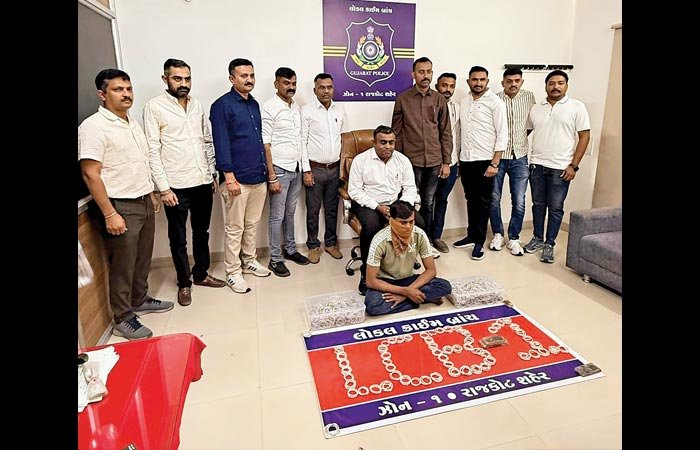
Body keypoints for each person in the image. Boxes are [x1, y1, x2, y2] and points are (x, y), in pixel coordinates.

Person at [79, 68, 174, 340]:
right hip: (120, 205)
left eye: (129, 89)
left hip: (143, 199)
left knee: (142, 257)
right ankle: (123, 317)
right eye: (118, 90)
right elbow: (90, 173)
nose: (126, 94)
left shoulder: (131, 122)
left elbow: (140, 161)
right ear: (102, 94)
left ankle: (139, 298)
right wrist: (110, 213)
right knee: (123, 264)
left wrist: (152, 192)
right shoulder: (93, 127)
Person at [143, 58, 226, 307]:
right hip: (175, 186)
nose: (183, 83)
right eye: (177, 78)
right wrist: (163, 188)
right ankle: (184, 283)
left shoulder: (196, 104)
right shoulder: (154, 107)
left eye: (187, 78)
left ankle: (201, 274)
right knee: (178, 238)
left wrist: (211, 173)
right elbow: (152, 150)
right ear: (165, 79)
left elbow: (207, 141)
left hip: (202, 181)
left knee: (202, 232)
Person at [210, 58, 273, 294]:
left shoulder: (253, 104)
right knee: (235, 228)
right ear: (232, 78)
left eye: (252, 75)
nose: (249, 79)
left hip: (258, 176)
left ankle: (249, 261)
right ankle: (233, 272)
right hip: (236, 179)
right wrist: (229, 177)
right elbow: (221, 143)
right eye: (243, 75)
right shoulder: (222, 105)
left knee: (252, 224)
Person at [524, 70, 590, 263]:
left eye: (560, 83)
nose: (556, 87)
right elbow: (526, 132)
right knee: (538, 205)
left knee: (555, 207)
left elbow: (584, 136)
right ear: (546, 86)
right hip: (537, 165)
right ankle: (537, 238)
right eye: (552, 83)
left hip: (561, 168)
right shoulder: (536, 108)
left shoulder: (577, 107)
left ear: (566, 86)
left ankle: (549, 244)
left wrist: (574, 166)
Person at [348, 125, 422, 296]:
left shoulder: (402, 160)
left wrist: (400, 208)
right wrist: (378, 207)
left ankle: (404, 265)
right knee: (371, 228)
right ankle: (367, 275)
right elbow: (354, 191)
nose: (388, 146)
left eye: (391, 142)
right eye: (383, 142)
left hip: (396, 203)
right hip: (369, 203)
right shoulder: (361, 160)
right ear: (374, 142)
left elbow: (410, 188)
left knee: (419, 223)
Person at [392, 57, 452, 242]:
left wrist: (446, 162)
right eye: (421, 72)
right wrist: (398, 161)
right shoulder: (403, 99)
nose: (425, 76)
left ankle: (426, 241)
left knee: (428, 202)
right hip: (411, 161)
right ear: (414, 74)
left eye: (428, 71)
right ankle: (408, 239)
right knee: (409, 201)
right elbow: (396, 132)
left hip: (434, 161)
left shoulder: (439, 99)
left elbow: (445, 132)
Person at [453, 66, 508, 261]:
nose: (478, 83)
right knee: (471, 199)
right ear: (468, 81)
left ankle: (479, 241)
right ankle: (471, 234)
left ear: (487, 81)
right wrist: (458, 159)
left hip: (486, 161)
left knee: (484, 202)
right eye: (474, 79)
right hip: (466, 159)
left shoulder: (496, 103)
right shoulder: (464, 101)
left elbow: (502, 134)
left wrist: (495, 163)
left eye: (482, 79)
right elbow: (460, 131)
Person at [262, 67, 310, 277]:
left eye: (293, 83)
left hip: (296, 168)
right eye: (286, 83)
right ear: (276, 84)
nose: (291, 87)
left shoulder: (295, 106)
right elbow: (265, 144)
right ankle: (275, 259)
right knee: (277, 216)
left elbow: (300, 139)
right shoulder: (269, 107)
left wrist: (305, 168)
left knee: (290, 213)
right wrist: (271, 175)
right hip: (280, 169)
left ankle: (290, 250)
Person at [364, 200, 452, 316]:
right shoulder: (379, 240)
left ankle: (408, 298)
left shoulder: (419, 234)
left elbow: (431, 271)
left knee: (445, 286)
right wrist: (405, 292)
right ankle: (418, 299)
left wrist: (406, 293)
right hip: (386, 282)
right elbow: (371, 281)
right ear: (391, 220)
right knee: (372, 305)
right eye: (403, 223)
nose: (408, 226)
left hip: (408, 279)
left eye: (411, 222)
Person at [489, 68, 536, 256]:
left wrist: (519, 140)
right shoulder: (495, 99)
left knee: (519, 200)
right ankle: (498, 234)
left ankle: (514, 237)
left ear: (521, 82)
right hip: (498, 157)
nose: (513, 84)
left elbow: (530, 126)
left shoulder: (529, 97)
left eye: (517, 80)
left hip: (520, 156)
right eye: (509, 81)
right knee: (494, 198)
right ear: (503, 83)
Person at [301, 73, 346, 264]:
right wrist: (306, 170)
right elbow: (302, 142)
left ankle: (330, 243)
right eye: (322, 87)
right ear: (315, 90)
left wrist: (343, 170)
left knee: (332, 209)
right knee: (313, 210)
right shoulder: (307, 111)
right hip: (315, 169)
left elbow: (343, 139)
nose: (326, 91)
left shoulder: (339, 110)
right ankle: (313, 246)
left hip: (334, 169)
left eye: (329, 87)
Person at [431, 72, 461, 253]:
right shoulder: (429, 104)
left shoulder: (458, 108)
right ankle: (424, 238)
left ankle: (436, 237)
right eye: (444, 85)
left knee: (442, 200)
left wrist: (457, 163)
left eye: (451, 86)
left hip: (452, 162)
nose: (448, 89)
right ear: (437, 86)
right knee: (426, 201)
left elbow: (458, 136)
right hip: (431, 162)